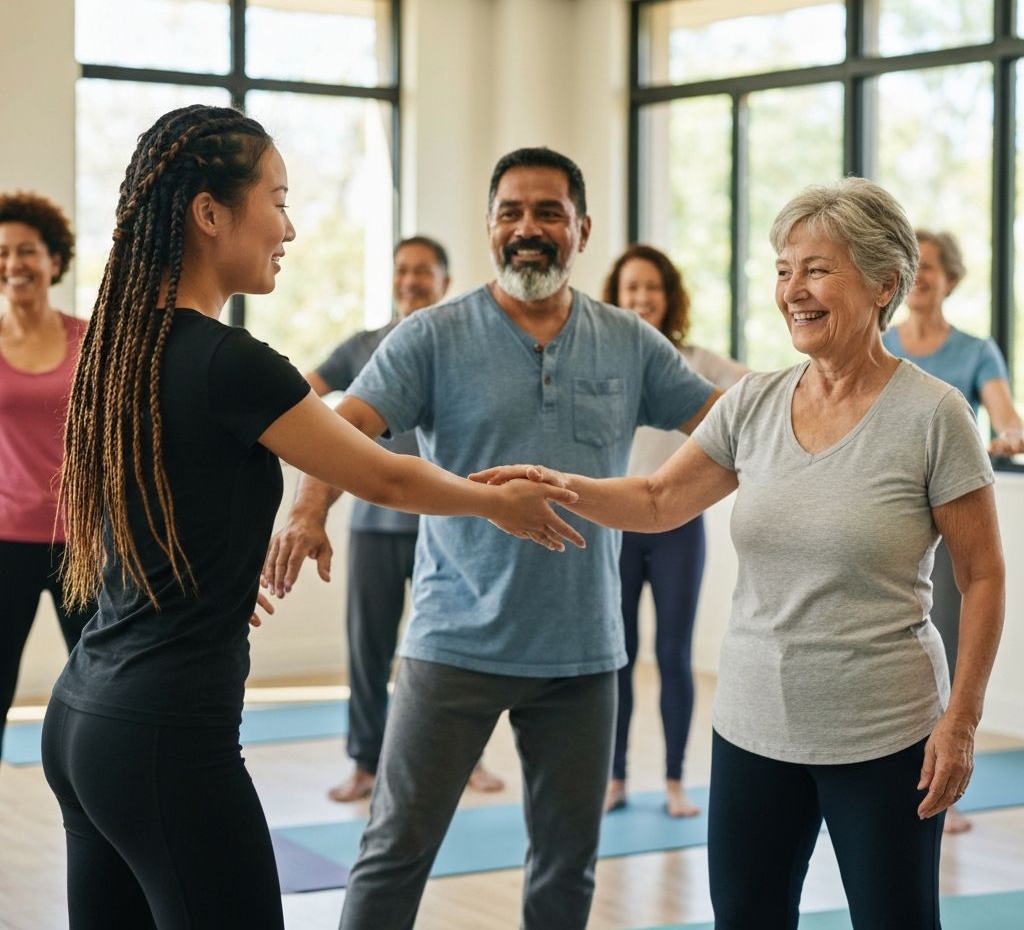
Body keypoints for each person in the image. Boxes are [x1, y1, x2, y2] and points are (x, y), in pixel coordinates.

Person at [41, 106, 581, 930]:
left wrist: (213, 586)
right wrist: (494, 502)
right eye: (278, 199)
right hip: (164, 737)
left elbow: (147, 515)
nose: (289, 227)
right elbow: (385, 477)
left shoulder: (120, 351)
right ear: (211, 213)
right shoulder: (231, 364)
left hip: (84, 719)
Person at [475, 178, 1005, 930]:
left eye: (818, 269)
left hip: (885, 733)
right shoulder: (754, 402)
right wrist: (562, 485)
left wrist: (961, 721)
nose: (794, 290)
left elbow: (981, 573)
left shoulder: (933, 415)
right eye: (785, 269)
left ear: (885, 282)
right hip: (754, 728)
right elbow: (660, 500)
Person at [262, 146, 720, 930]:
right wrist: (308, 511)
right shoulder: (433, 336)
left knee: (566, 871)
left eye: (548, 213)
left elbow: (720, 425)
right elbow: (349, 429)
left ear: (581, 227)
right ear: (488, 227)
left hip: (584, 652)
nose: (528, 229)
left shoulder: (630, 341)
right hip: (454, 644)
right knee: (394, 851)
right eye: (511, 212)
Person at [306, 235, 503, 802]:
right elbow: (300, 396)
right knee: (368, 647)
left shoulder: (461, 345)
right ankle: (366, 763)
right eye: (401, 271)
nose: (411, 280)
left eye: (423, 272)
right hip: (373, 525)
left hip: (446, 525)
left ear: (443, 281)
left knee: (458, 645)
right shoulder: (362, 346)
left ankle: (469, 761)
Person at [883, 228, 1023, 832]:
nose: (922, 279)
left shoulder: (974, 351)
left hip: (944, 517)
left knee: (938, 644)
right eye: (914, 267)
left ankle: (942, 784)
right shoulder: (881, 342)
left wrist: (1004, 437)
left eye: (933, 268)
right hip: (883, 513)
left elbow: (1006, 419)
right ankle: (886, 774)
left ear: (951, 279)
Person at [601, 244, 747, 817]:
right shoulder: (603, 360)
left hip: (678, 529)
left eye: (651, 289)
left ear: (669, 299)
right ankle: (613, 779)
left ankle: (673, 781)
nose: (640, 299)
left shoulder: (697, 361)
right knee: (617, 654)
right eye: (630, 288)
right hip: (615, 526)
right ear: (615, 297)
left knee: (673, 654)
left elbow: (756, 388)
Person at [0, 192, 92, 762]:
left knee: (99, 690)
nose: (14, 264)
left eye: (27, 251)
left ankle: (104, 818)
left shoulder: (90, 340)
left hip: (80, 542)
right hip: (4, 540)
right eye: (3, 252)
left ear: (54, 260)